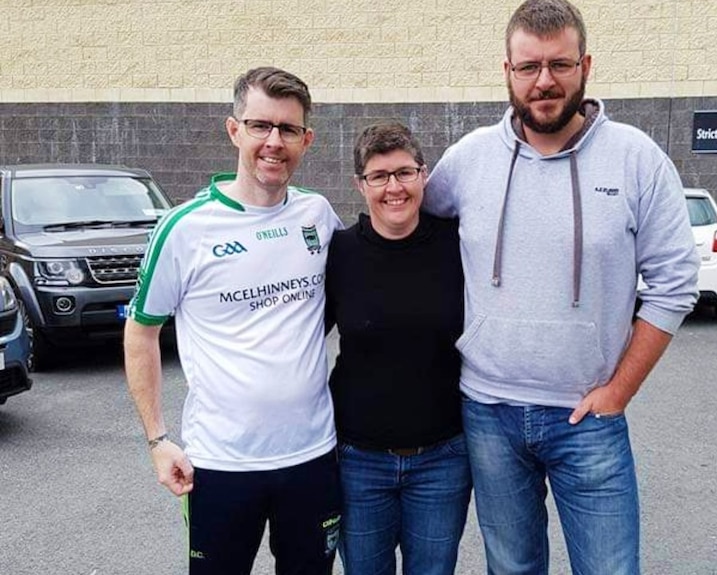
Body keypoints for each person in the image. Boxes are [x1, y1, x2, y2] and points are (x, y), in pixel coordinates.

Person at [422, 1, 700, 573]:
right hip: (487, 412)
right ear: (507, 72)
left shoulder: (637, 159)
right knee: (513, 568)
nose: (543, 81)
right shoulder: (467, 160)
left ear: (586, 66)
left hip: (588, 418)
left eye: (559, 64)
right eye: (528, 67)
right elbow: (408, 226)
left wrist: (619, 391)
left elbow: (675, 284)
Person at [124, 67, 343, 575]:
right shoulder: (183, 229)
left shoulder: (317, 215)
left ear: (306, 139)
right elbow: (141, 331)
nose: (274, 141)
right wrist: (158, 440)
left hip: (312, 456)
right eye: (260, 125)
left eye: (288, 129)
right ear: (234, 130)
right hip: (221, 465)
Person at [325, 122, 471, 575]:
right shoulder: (340, 252)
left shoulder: (457, 244)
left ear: (424, 176)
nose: (394, 188)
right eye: (379, 176)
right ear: (360, 185)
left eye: (405, 173)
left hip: (442, 458)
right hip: (358, 460)